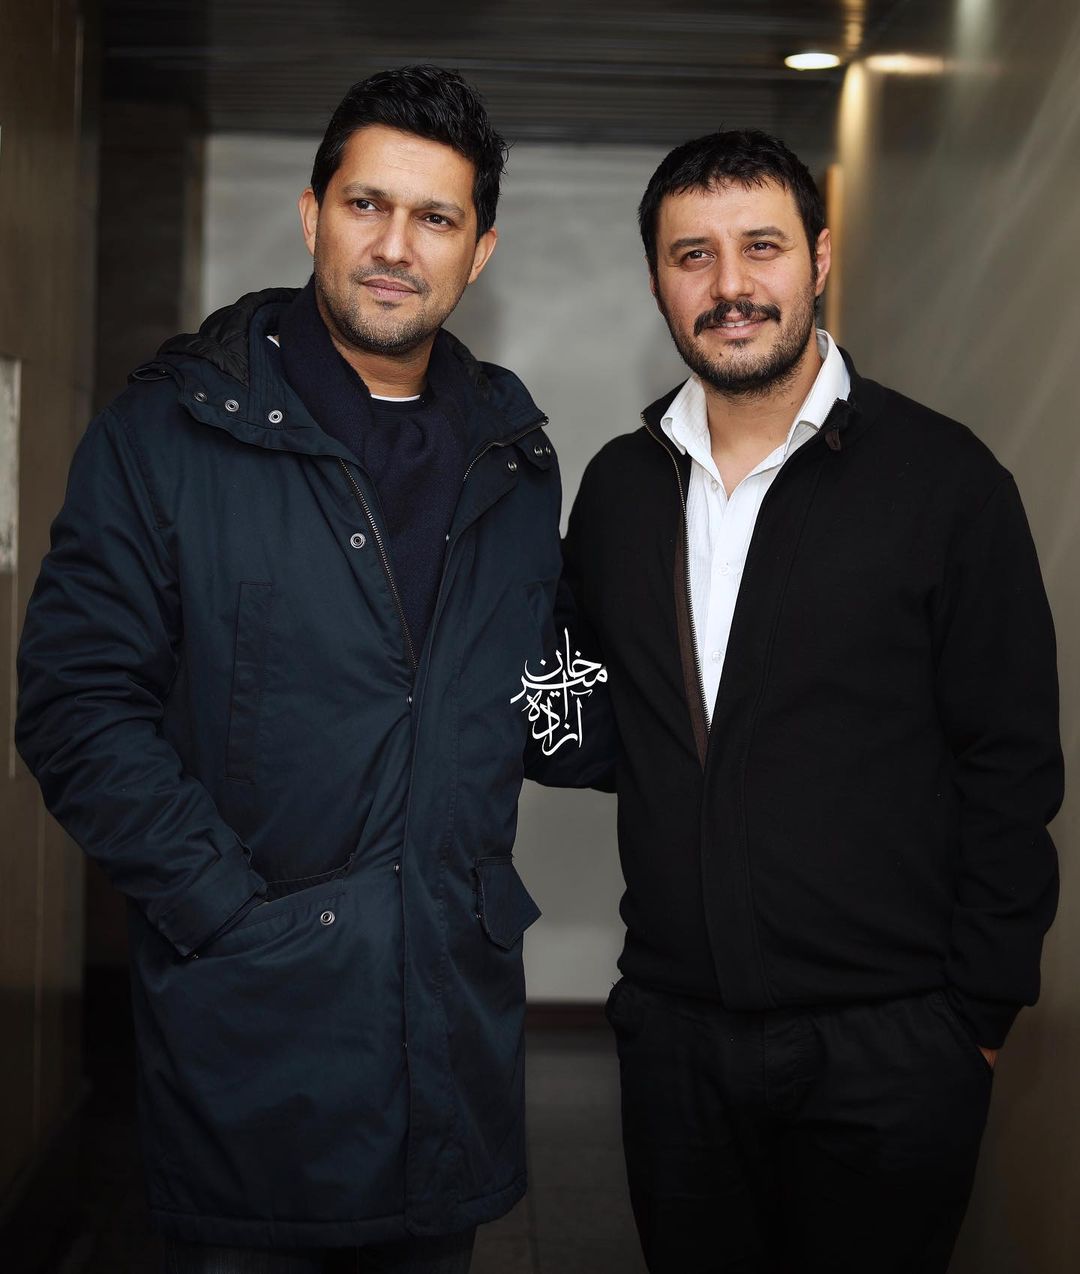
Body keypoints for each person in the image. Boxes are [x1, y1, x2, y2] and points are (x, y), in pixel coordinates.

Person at [16, 64, 587, 1274]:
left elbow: (536, 684)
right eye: (366, 204)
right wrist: (222, 907)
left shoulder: (515, 457)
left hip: (450, 1045)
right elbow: (77, 703)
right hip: (255, 1047)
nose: (395, 246)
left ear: (479, 250)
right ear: (312, 213)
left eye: (435, 218)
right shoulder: (171, 431)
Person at [559, 129, 1062, 1272]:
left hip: (895, 1050)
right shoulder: (621, 488)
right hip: (678, 1044)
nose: (730, 284)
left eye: (763, 246)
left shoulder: (947, 483)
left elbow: (1011, 762)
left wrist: (976, 1020)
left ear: (821, 257)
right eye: (693, 254)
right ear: (657, 279)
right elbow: (584, 703)